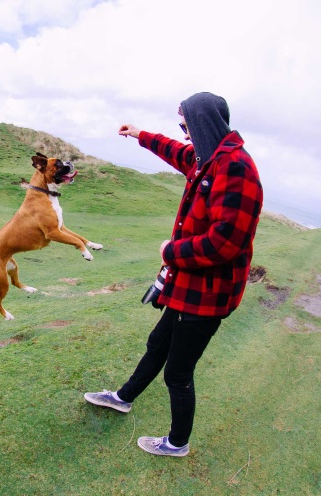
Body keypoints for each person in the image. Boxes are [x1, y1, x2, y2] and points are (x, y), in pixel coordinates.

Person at [84, 92, 263, 457]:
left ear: (201, 123)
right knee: (157, 343)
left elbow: (225, 242)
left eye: (185, 125)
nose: (182, 133)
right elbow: (174, 152)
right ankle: (122, 398)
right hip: (190, 283)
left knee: (178, 373)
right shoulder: (206, 158)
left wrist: (171, 252)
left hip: (210, 295)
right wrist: (139, 134)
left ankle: (177, 443)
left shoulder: (237, 168)